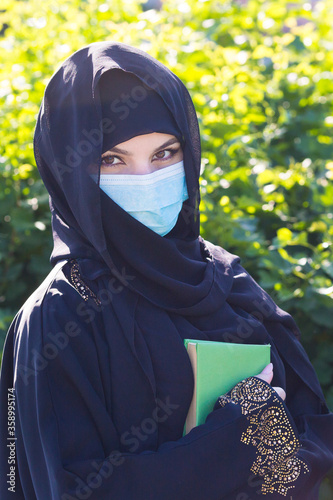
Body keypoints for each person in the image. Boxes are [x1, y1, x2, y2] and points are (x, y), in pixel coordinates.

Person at [0, 41, 332, 500]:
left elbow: (306, 429)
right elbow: (67, 488)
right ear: (70, 171)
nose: (145, 179)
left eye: (165, 153)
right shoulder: (59, 317)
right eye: (112, 159)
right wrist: (232, 440)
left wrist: (269, 446)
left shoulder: (222, 277)